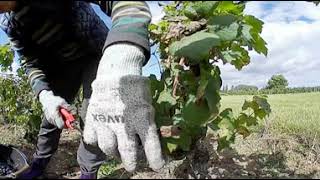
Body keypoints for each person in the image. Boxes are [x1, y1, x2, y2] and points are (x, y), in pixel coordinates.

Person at [0, 1, 165, 179]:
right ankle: (39, 162)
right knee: (51, 118)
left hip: (94, 54)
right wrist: (45, 95)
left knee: (93, 114)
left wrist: (124, 50)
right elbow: (30, 62)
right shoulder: (9, 23)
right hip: (61, 66)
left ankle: (88, 172)